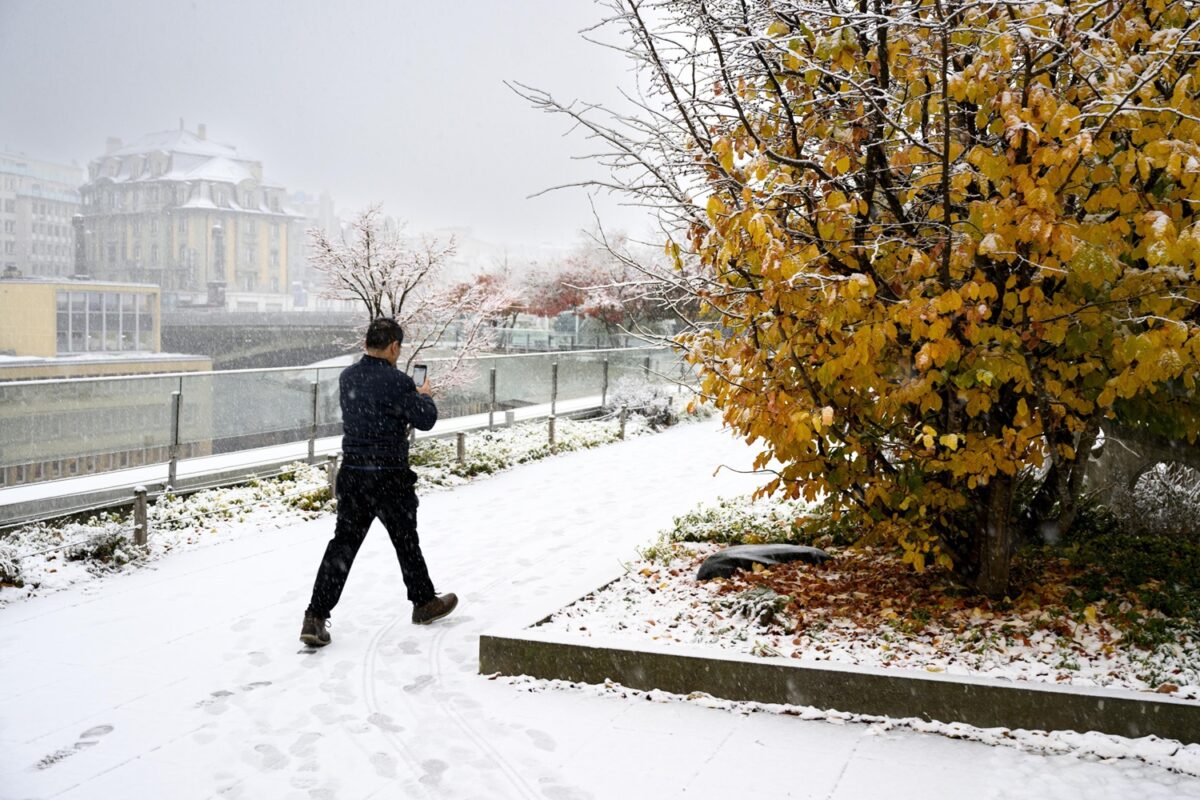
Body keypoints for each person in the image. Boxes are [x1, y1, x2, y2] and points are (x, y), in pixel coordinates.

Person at [300, 317, 457, 647]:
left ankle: (314, 617)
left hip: (354, 474)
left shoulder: (347, 378)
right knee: (405, 541)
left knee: (342, 545)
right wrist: (423, 395)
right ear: (394, 347)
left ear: (366, 344)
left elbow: (369, 411)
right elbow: (425, 420)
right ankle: (424, 603)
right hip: (390, 477)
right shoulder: (399, 383)